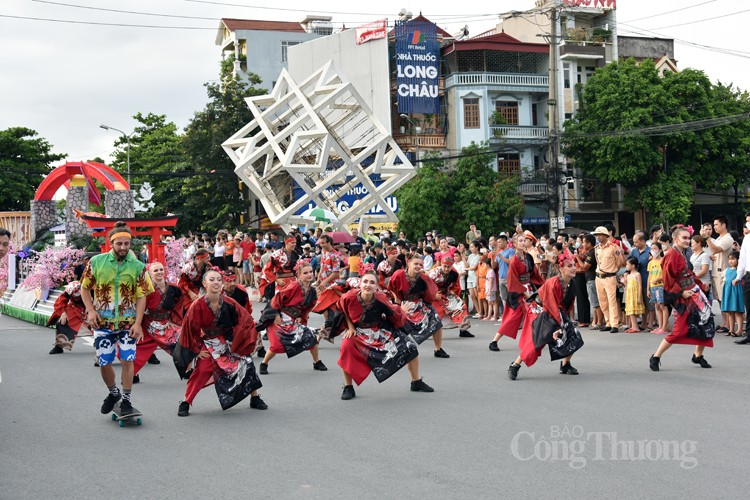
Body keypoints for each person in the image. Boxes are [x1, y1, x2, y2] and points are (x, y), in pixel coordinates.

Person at [80, 221, 154, 417]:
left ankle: (127, 400)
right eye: (119, 244)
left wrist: (138, 323)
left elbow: (141, 296)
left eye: (126, 244)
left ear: (130, 244)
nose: (123, 248)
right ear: (111, 243)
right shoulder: (96, 262)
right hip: (102, 323)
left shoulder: (138, 266)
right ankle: (114, 393)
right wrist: (90, 310)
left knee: (128, 360)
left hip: (128, 324)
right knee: (104, 361)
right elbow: (84, 288)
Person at [174, 268, 266, 416]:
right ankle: (186, 401)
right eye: (211, 280)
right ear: (204, 283)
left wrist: (240, 341)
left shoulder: (230, 303)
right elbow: (189, 329)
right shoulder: (197, 305)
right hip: (209, 341)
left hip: (229, 340)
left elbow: (245, 321)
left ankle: (254, 397)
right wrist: (197, 350)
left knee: (246, 363)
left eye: (218, 279)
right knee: (203, 369)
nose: (215, 282)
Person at [335, 270, 433, 400]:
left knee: (410, 347)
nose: (368, 285)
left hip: (379, 330)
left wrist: (402, 311)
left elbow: (393, 314)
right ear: (360, 284)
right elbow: (343, 311)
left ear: (376, 286)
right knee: (346, 348)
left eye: (372, 282)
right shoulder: (348, 297)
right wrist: (351, 327)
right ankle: (348, 387)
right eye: (365, 281)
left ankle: (416, 382)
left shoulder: (380, 298)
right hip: (358, 332)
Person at [649, 226, 713, 372]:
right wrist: (681, 292)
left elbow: (689, 274)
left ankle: (697, 355)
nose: (687, 240)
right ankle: (656, 356)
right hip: (683, 296)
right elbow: (668, 279)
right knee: (679, 330)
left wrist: (701, 285)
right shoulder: (671, 254)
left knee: (706, 322)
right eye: (684, 238)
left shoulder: (682, 253)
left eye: (688, 238)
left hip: (694, 292)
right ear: (675, 239)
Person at [507, 253, 580, 380]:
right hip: (540, 310)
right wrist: (558, 325)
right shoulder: (553, 283)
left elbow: (567, 305)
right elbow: (550, 306)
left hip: (556, 310)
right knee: (536, 341)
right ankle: (515, 365)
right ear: (560, 268)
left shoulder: (572, 283)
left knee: (574, 335)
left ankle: (565, 364)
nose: (573, 268)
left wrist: (565, 323)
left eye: (574, 265)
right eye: (569, 266)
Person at [259, 262, 327, 374]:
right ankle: (264, 363)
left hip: (294, 319)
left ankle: (316, 362)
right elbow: (277, 299)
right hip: (280, 316)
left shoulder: (312, 291)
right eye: (305, 273)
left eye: (311, 272)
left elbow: (308, 307)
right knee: (276, 345)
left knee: (311, 338)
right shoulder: (293, 286)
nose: (309, 274)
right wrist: (275, 315)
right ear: (299, 274)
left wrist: (301, 316)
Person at [489, 231, 543, 351]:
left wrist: (541, 285)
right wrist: (524, 293)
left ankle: (535, 340)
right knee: (513, 318)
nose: (523, 243)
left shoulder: (528, 256)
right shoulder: (514, 260)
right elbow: (512, 280)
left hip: (528, 287)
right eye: (520, 241)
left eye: (524, 240)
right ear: (514, 244)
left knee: (535, 313)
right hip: (518, 292)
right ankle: (494, 341)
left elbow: (534, 272)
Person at [388, 256, 450, 358]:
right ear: (408, 263)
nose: (418, 266)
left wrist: (435, 296)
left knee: (437, 323)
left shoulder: (423, 278)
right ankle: (397, 350)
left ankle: (438, 349)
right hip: (404, 304)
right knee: (399, 328)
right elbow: (390, 287)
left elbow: (430, 292)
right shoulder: (398, 274)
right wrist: (395, 298)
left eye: (420, 264)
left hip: (420, 303)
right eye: (415, 264)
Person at [132, 262, 183, 381]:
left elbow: (179, 304)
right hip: (149, 323)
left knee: (183, 339)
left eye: (161, 269)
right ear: (149, 273)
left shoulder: (173, 288)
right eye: (155, 271)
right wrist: (137, 324)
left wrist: (174, 320)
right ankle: (132, 373)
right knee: (138, 347)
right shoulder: (147, 290)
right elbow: (139, 307)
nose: (159, 272)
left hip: (166, 322)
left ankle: (188, 369)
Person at [48, 264, 90, 354]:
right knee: (62, 321)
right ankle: (59, 346)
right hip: (76, 308)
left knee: (102, 326)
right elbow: (63, 300)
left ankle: (104, 345)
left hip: (92, 308)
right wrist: (63, 313)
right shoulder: (73, 286)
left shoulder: (93, 284)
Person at [428, 256, 473, 337]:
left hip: (447, 293)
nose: (446, 269)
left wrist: (454, 291)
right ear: (441, 264)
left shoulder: (454, 273)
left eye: (448, 267)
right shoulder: (433, 273)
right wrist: (434, 294)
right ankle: (428, 331)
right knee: (435, 313)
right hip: (434, 295)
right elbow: (426, 286)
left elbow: (457, 285)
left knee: (461, 307)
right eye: (444, 266)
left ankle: (463, 329)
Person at [593, 226, 625, 333]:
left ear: (605, 235)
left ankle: (614, 324)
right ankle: (608, 322)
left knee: (612, 301)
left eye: (599, 235)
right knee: (603, 302)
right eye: (596, 235)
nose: (597, 237)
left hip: (609, 277)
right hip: (599, 277)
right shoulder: (596, 248)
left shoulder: (613, 247)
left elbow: (620, 262)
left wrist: (613, 270)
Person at [707, 215, 734, 333]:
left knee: (724, 298)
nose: (714, 227)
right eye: (714, 225)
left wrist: (707, 238)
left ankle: (729, 324)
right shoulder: (718, 239)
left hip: (723, 272)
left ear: (724, 225)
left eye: (716, 225)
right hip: (715, 272)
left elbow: (717, 249)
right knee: (719, 299)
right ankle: (724, 322)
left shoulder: (728, 238)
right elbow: (714, 251)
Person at [259, 236, 299, 301]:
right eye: (292, 243)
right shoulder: (277, 254)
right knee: (278, 303)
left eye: (295, 243)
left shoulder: (296, 254)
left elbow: (298, 269)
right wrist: (276, 280)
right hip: (281, 281)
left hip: (292, 282)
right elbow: (267, 269)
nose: (294, 244)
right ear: (286, 243)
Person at [733, 212, 750, 344]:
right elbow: (743, 260)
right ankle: (749, 334)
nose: (748, 223)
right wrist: (739, 276)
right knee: (748, 306)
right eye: (747, 221)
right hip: (748, 275)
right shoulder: (747, 238)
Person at [721, 251, 744, 336]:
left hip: (736, 292)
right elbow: (724, 279)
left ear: (738, 260)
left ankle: (739, 330)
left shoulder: (740, 270)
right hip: (728, 291)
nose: (731, 261)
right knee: (730, 312)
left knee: (738, 311)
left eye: (733, 259)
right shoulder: (727, 270)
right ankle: (731, 330)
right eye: (729, 259)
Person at [648, 243, 669, 335]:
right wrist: (648, 289)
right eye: (651, 248)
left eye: (655, 248)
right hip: (653, 287)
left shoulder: (663, 261)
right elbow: (649, 276)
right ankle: (660, 326)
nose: (653, 250)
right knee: (657, 306)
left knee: (662, 306)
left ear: (660, 250)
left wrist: (658, 279)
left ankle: (665, 327)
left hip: (661, 285)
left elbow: (666, 274)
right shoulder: (651, 262)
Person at [624, 257, 645, 333]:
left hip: (635, 294)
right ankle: (633, 326)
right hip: (630, 295)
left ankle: (636, 327)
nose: (626, 266)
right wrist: (624, 281)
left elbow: (640, 286)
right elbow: (627, 286)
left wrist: (639, 297)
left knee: (633, 312)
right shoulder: (629, 275)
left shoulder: (637, 274)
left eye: (627, 264)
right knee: (630, 311)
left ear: (633, 266)